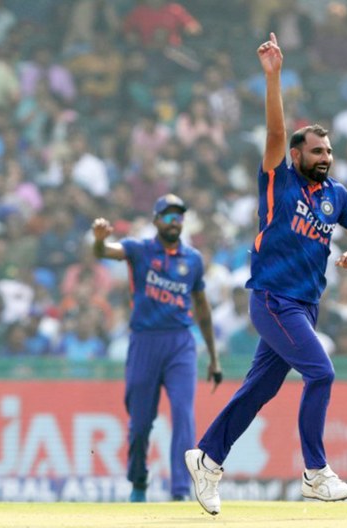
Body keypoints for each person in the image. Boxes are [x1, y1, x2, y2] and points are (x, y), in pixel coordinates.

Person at [185, 33, 347, 516]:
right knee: (321, 373)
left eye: (328, 151)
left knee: (261, 388)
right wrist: (274, 79)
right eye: (315, 152)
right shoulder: (279, 180)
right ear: (295, 156)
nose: (324, 158)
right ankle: (315, 474)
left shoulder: (338, 195)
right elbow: (273, 133)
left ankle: (206, 458)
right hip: (273, 298)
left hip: (304, 306)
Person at [91, 193, 222, 503]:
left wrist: (214, 358)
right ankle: (138, 481)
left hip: (180, 343)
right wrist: (98, 240)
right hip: (144, 343)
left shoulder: (192, 259)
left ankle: (180, 491)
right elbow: (105, 252)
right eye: (167, 216)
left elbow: (202, 308)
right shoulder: (139, 249)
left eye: (178, 216)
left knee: (183, 414)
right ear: (155, 220)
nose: (174, 221)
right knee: (139, 424)